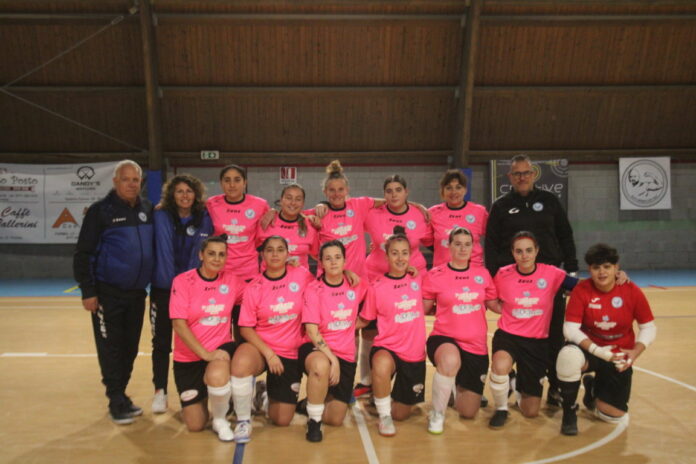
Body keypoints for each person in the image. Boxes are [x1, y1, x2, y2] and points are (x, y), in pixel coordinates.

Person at [310, 161, 427, 400]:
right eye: (331, 190)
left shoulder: (360, 205)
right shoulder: (319, 214)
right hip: (332, 285)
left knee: (366, 333)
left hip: (360, 284)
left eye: (340, 189)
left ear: (348, 190)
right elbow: (294, 215)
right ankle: (336, 383)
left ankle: (362, 382)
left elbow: (388, 201)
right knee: (340, 333)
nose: (336, 194)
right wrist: (318, 206)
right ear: (324, 192)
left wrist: (415, 205)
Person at [485, 154, 579, 405]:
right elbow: (491, 245)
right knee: (512, 332)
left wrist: (571, 270)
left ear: (533, 174)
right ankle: (510, 375)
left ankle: (555, 387)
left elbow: (565, 235)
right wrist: (493, 281)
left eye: (526, 172)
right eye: (517, 173)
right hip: (513, 283)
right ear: (510, 177)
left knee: (554, 336)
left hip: (549, 283)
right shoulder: (501, 206)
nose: (522, 177)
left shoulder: (549, 201)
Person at [73, 160, 154, 424]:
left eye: (135, 179)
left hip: (136, 294)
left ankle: (121, 394)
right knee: (111, 349)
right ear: (115, 182)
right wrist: (88, 291)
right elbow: (83, 253)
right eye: (125, 179)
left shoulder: (147, 209)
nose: (131, 184)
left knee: (130, 348)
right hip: (108, 294)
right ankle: (115, 400)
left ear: (141, 182)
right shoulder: (101, 211)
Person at [556, 243, 656, 436]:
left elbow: (648, 327)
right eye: (596, 267)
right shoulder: (582, 290)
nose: (602, 272)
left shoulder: (631, 291)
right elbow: (570, 329)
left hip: (618, 354)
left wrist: (635, 352)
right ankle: (569, 413)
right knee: (568, 357)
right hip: (589, 349)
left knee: (612, 416)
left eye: (607, 267)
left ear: (616, 268)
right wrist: (598, 351)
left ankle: (593, 390)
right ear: (590, 270)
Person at [488, 231, 578, 429]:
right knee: (500, 366)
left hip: (537, 342)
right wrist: (503, 309)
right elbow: (488, 296)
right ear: (512, 252)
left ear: (537, 251)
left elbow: (579, 287)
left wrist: (616, 277)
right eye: (519, 251)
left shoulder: (551, 273)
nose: (524, 255)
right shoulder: (503, 274)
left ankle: (514, 382)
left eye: (529, 250)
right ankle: (501, 409)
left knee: (531, 412)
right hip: (508, 336)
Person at [229, 236, 315, 443]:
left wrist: (347, 273)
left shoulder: (301, 275)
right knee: (240, 363)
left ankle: (263, 394)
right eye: (270, 250)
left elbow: (326, 284)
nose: (275, 254)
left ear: (288, 254)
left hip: (290, 352)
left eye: (280, 249)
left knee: (282, 419)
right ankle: (243, 420)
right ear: (262, 255)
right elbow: (246, 328)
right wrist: (269, 354)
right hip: (262, 348)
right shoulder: (255, 287)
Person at [422, 227, 500, 434]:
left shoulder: (482, 275)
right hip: (444, 338)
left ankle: (454, 385)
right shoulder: (435, 275)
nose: (463, 248)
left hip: (475, 345)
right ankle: (437, 413)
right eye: (457, 244)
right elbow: (423, 308)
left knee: (468, 412)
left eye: (467, 244)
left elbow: (494, 304)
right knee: (449, 361)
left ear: (474, 247)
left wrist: (521, 305)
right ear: (449, 246)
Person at [169, 235, 245, 441]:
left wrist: (290, 270)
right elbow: (179, 325)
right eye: (211, 254)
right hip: (189, 357)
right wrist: (205, 354)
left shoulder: (232, 281)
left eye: (222, 255)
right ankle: (218, 396)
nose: (217, 259)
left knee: (217, 374)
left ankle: (220, 419)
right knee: (195, 425)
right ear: (201, 255)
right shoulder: (183, 281)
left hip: (220, 347)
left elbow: (261, 291)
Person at [150, 174, 213, 414]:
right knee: (161, 342)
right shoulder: (159, 215)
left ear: (196, 194)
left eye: (189, 191)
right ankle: (160, 391)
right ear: (171, 195)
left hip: (194, 292)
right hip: (163, 290)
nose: (185, 196)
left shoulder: (205, 217)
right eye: (179, 191)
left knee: (196, 340)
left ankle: (201, 389)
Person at [359, 229, 427, 437]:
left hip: (414, 354)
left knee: (401, 414)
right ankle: (383, 416)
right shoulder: (376, 287)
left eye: (404, 253)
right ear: (386, 256)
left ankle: (385, 399)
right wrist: (336, 325)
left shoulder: (419, 280)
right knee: (380, 363)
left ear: (410, 255)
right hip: (387, 347)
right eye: (395, 253)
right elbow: (365, 319)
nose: (400, 258)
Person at [299, 240, 369, 442]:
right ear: (321, 263)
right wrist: (333, 360)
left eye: (338, 257)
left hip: (345, 354)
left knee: (335, 419)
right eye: (328, 258)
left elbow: (369, 312)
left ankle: (308, 403)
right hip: (317, 350)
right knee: (322, 366)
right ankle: (314, 422)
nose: (333, 262)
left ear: (345, 261)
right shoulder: (314, 289)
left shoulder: (356, 285)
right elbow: (312, 331)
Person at [206, 164, 270, 340]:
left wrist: (273, 212)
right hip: (220, 275)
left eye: (237, 180)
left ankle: (242, 359)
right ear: (221, 183)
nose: (232, 185)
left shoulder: (259, 204)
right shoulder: (211, 204)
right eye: (227, 180)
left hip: (247, 276)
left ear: (245, 182)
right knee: (219, 329)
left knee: (244, 329)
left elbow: (275, 221)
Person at [428, 169, 488, 268]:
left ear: (465, 190)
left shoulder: (479, 212)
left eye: (458, 187)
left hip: (473, 270)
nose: (454, 192)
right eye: (449, 188)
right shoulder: (433, 213)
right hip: (442, 271)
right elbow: (427, 242)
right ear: (442, 191)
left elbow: (492, 239)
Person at [257, 184, 319, 271]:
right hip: (270, 278)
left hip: (300, 278)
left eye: (298, 199)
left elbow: (317, 254)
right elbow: (255, 250)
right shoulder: (267, 222)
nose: (293, 203)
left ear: (303, 203)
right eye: (289, 198)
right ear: (281, 200)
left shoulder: (310, 225)